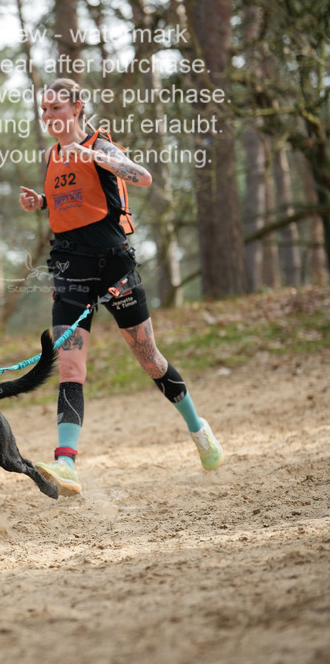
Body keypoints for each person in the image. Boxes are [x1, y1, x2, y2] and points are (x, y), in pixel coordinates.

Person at [18, 77, 222, 496]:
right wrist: (40, 202)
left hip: (114, 268)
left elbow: (142, 177)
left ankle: (198, 429)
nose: (48, 116)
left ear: (76, 107)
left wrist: (93, 154)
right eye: (44, 110)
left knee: (149, 359)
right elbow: (70, 199)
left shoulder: (100, 144)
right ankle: (66, 463)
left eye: (56, 108)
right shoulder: (52, 156)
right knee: (71, 367)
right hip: (70, 270)